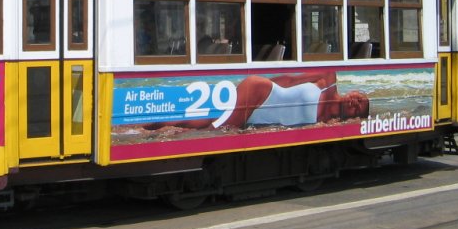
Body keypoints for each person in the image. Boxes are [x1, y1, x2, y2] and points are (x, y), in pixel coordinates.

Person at [145, 71, 369, 130]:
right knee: (214, 129)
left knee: (200, 123)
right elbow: (289, 79)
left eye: (358, 108)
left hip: (258, 114)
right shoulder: (329, 82)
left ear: (354, 117)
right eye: (359, 98)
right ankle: (148, 127)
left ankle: (148, 126)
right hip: (260, 93)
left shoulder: (329, 124)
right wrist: (260, 82)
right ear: (355, 91)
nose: (355, 102)